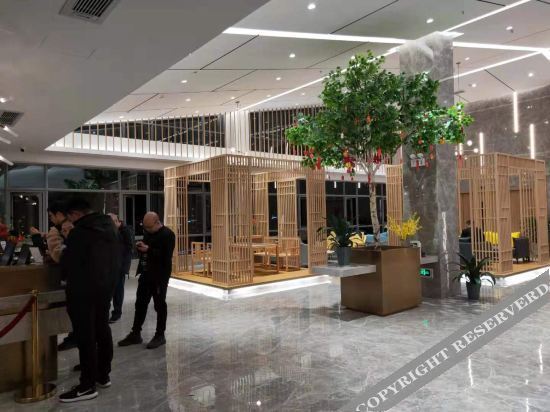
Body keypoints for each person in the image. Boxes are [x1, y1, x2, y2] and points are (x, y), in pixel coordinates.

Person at [58, 198, 120, 403]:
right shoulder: (109, 227)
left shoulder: (80, 232)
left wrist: (66, 242)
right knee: (102, 330)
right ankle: (103, 375)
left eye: (70, 218)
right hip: (105, 288)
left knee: (85, 337)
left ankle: (87, 385)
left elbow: (68, 263)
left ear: (75, 214)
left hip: (83, 291)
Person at [118, 212, 175, 350]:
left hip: (159, 276)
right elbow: (147, 249)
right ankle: (135, 333)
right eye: (145, 228)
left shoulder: (168, 234)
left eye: (149, 227)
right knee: (140, 303)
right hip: (145, 273)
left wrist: (148, 249)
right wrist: (141, 247)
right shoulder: (148, 232)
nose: (147, 230)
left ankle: (160, 335)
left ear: (157, 222)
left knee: (159, 305)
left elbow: (166, 256)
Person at [107, 213, 134, 323]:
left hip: (120, 266)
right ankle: (105, 312)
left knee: (118, 290)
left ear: (117, 221)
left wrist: (124, 267)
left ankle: (117, 313)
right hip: (109, 265)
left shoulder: (125, 231)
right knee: (108, 290)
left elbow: (128, 249)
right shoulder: (109, 231)